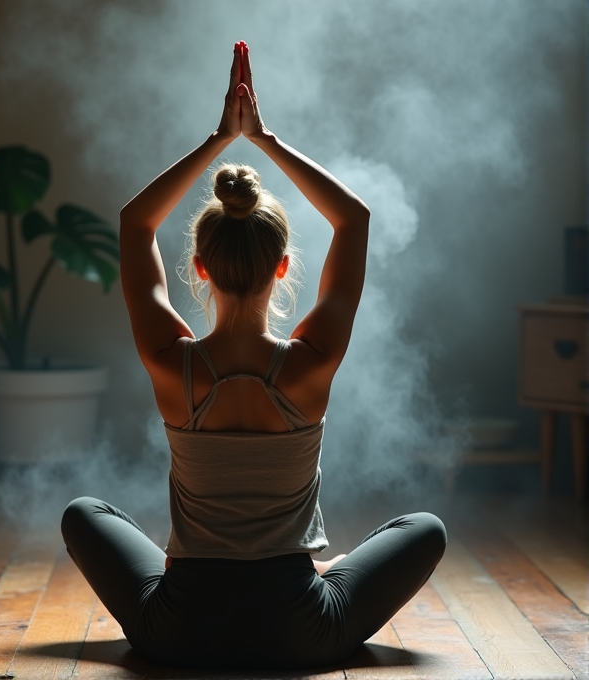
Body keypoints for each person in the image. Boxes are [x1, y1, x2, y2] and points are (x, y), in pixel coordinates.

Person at [61, 41, 446, 670]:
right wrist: (262, 140)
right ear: (284, 266)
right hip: (298, 633)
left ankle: (226, 569)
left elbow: (135, 223)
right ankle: (313, 568)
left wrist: (220, 139)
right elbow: (353, 219)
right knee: (425, 526)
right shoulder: (310, 364)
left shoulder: (172, 363)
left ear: (201, 268)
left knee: (84, 514)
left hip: (178, 629)